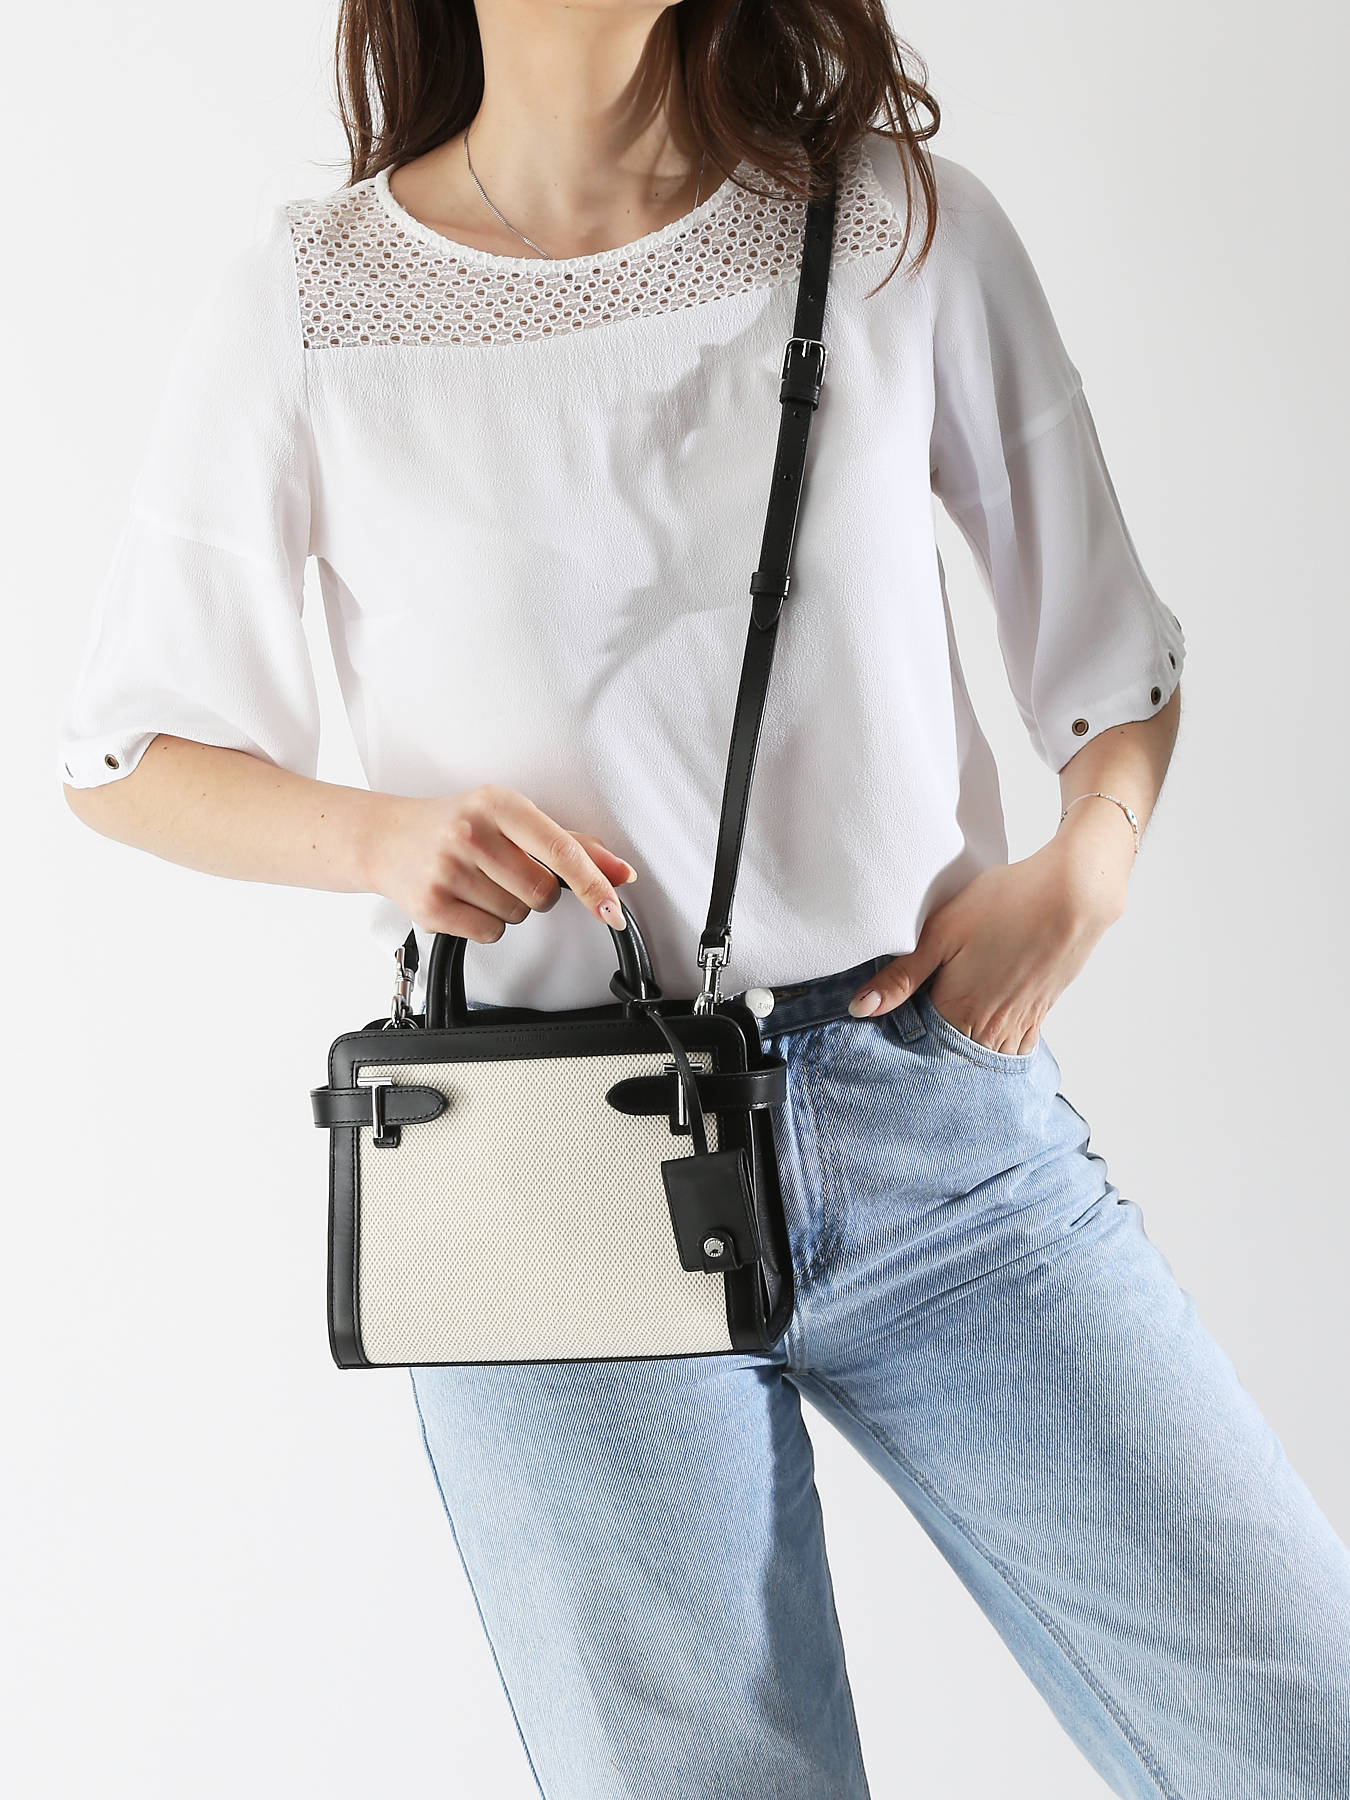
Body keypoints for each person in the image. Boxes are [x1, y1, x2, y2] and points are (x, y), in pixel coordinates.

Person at [58, 2, 1350, 1795]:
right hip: (545, 1179)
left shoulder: (894, 226)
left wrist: (1093, 864)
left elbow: (1110, 663)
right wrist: (382, 839)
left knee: (1298, 1734)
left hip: (927, 1123)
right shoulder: (315, 301)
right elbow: (123, 754)